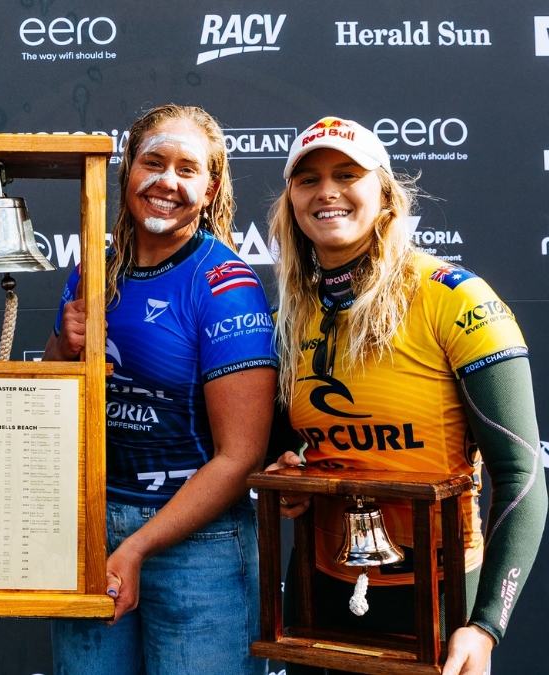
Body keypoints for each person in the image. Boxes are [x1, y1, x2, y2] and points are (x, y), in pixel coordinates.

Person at [266, 117, 547, 675]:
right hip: (317, 595)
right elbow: (286, 447)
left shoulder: (455, 298)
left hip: (439, 601)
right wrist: (289, 472)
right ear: (291, 201)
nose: (326, 191)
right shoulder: (292, 315)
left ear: (386, 195)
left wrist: (486, 624)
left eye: (347, 174)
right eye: (308, 179)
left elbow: (521, 474)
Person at [44, 104, 274, 675]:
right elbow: (49, 405)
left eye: (187, 169)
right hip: (94, 528)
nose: (166, 182)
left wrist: (140, 546)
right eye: (153, 162)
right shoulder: (92, 272)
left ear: (211, 186)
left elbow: (240, 455)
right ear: (127, 172)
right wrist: (62, 349)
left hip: (199, 546)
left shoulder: (225, 284)